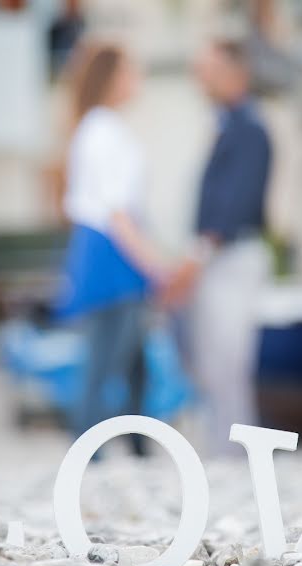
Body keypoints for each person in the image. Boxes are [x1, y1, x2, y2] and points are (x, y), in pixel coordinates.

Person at [55, 43, 167, 456]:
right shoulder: (104, 130)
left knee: (132, 360)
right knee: (108, 359)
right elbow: (119, 212)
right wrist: (154, 264)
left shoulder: (96, 127)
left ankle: (138, 447)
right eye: (131, 71)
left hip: (107, 249)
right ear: (113, 78)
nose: (138, 80)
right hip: (112, 252)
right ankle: (88, 451)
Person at [167, 40, 273, 456]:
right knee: (212, 363)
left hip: (232, 256)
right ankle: (223, 448)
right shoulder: (227, 125)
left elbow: (236, 202)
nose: (202, 79)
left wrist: (197, 257)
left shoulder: (249, 128)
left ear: (235, 73)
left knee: (228, 362)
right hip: (219, 257)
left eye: (209, 70)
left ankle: (238, 452)